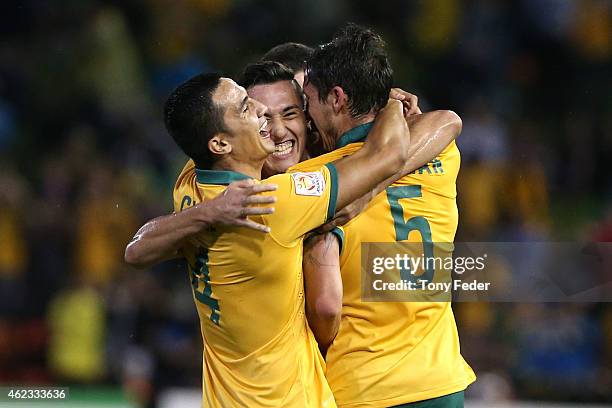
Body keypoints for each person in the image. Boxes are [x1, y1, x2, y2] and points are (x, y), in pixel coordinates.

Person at [160, 70, 413, 407]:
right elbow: (388, 154)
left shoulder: (189, 186)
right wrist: (389, 103)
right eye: (247, 108)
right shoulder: (276, 202)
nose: (262, 114)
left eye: (291, 112)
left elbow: (135, 252)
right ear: (219, 143)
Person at [290, 23, 475, 407]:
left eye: (308, 103)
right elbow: (447, 120)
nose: (307, 117)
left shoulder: (319, 180)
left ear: (337, 99)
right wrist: (392, 107)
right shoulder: (443, 152)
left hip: (365, 385)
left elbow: (325, 306)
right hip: (441, 382)